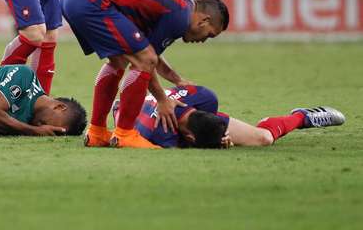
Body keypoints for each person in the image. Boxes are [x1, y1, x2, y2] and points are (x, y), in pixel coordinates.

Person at [60, 0, 229, 149]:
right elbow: (147, 60)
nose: (204, 40)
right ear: (203, 20)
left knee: (119, 60)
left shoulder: (179, 6)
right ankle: (124, 134)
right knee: (140, 60)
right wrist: (163, 100)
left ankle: (97, 132)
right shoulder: (180, 16)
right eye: (209, 35)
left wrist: (176, 79)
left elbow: (149, 52)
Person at [115, 84, 346, 149]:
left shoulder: (204, 97)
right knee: (263, 138)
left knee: (262, 138)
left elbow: (185, 90)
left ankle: (303, 117)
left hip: (185, 114)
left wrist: (214, 131)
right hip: (135, 108)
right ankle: (301, 117)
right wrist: (215, 142)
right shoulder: (162, 136)